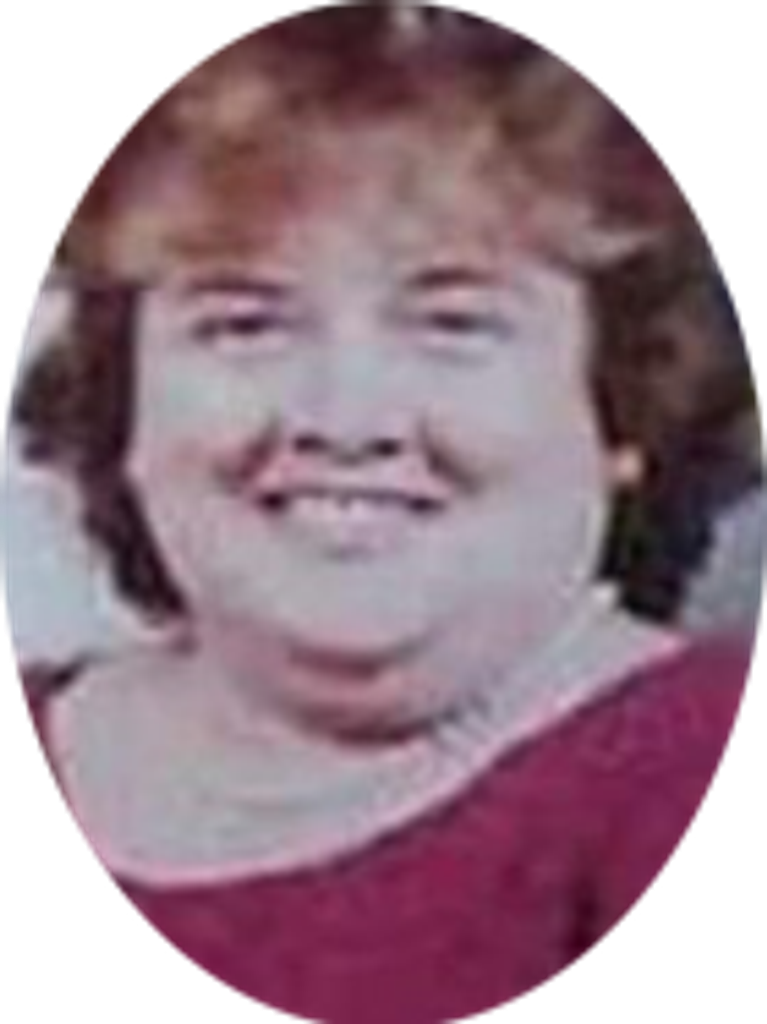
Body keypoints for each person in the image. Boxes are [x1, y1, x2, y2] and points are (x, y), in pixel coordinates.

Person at [9, 7, 755, 1020]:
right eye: (244, 323)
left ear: (621, 404)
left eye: (451, 323)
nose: (344, 418)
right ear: (124, 404)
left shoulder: (689, 763)